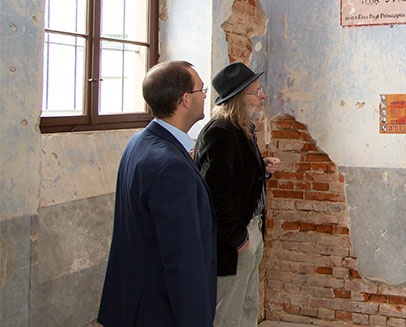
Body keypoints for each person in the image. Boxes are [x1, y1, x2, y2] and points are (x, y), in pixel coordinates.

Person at [98, 61, 217, 327]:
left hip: (134, 301)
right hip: (159, 310)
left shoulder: (139, 141)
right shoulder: (171, 166)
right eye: (201, 89)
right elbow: (181, 259)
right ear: (185, 100)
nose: (205, 95)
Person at [194, 62, 281, 327]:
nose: (262, 95)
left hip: (251, 229)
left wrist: (261, 169)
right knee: (229, 313)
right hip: (234, 240)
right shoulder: (220, 133)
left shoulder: (243, 128)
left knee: (248, 305)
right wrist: (238, 240)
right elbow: (214, 196)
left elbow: (235, 177)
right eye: (256, 91)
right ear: (237, 99)